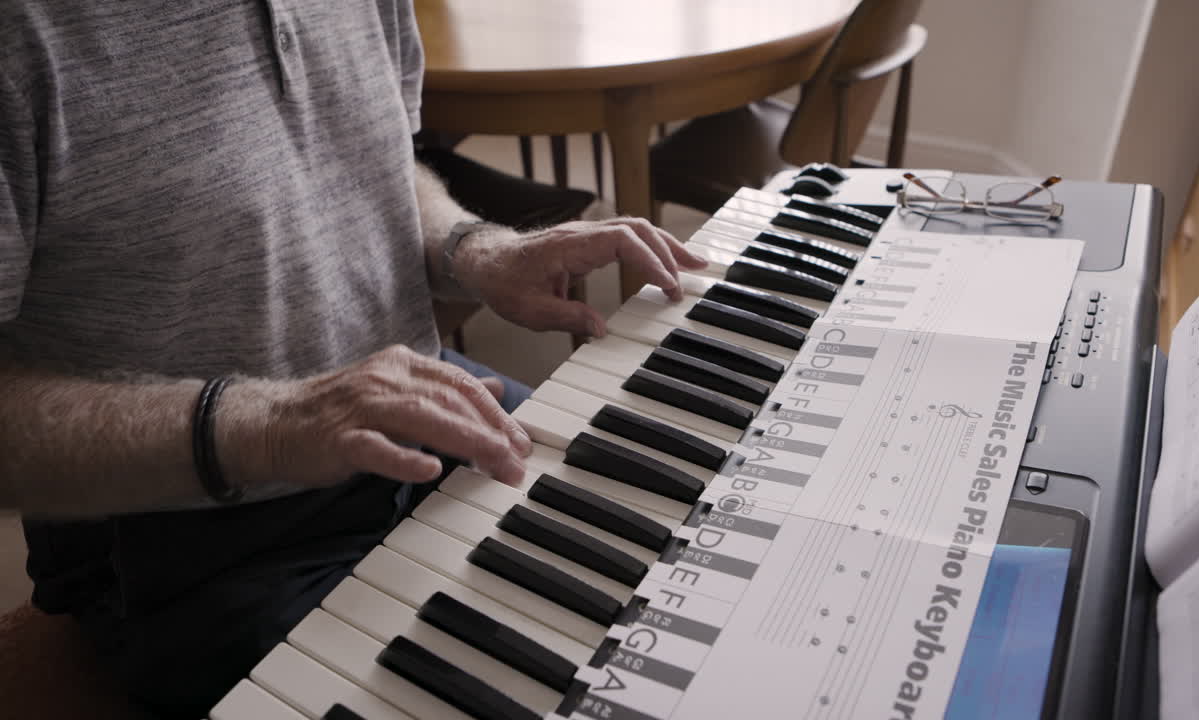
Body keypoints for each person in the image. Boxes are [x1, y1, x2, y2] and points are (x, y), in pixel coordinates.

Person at [0, 1, 705, 715]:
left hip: (425, 412)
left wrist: (477, 251)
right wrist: (272, 423)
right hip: (191, 536)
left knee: (691, 551)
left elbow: (382, 161)